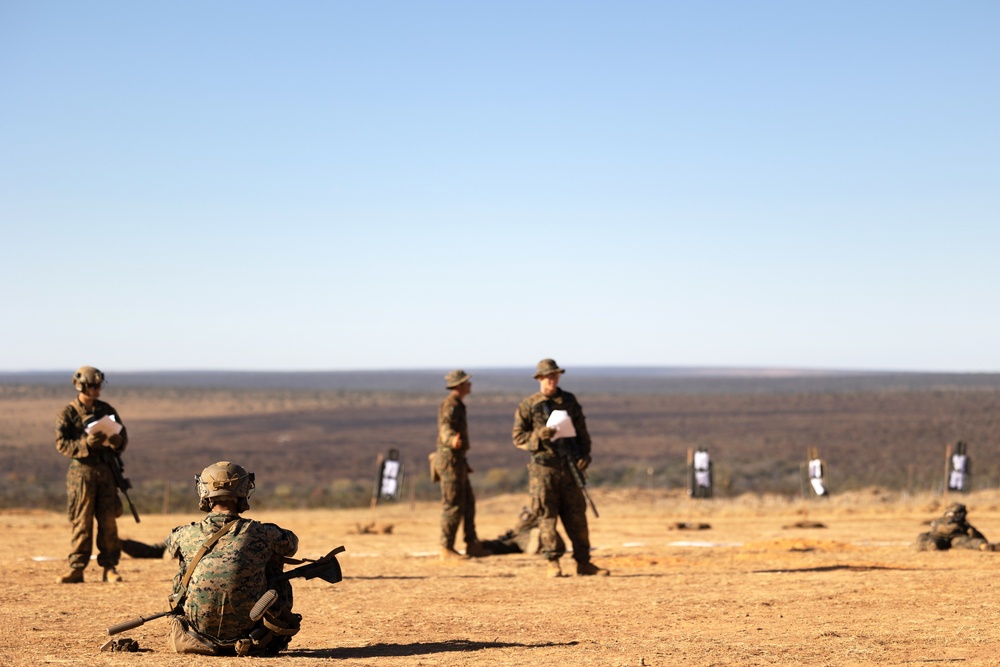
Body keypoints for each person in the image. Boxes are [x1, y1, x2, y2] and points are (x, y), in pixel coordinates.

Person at [163, 461, 301, 655]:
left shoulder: (185, 534)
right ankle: (271, 631)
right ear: (244, 491)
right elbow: (292, 545)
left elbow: (169, 544)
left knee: (184, 568)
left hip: (197, 635)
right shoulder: (262, 533)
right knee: (275, 565)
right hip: (255, 634)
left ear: (204, 492)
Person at [512, 359, 609, 577]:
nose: (552, 380)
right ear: (539, 379)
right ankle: (552, 561)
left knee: (577, 516)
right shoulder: (529, 405)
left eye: (555, 376)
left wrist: (585, 455)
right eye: (548, 377)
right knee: (546, 516)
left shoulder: (568, 401)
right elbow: (518, 437)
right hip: (543, 470)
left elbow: (582, 431)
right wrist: (538, 436)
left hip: (569, 467)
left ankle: (584, 562)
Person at [55, 365, 129, 583]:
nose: (97, 389)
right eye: (93, 386)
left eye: (99, 385)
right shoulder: (67, 414)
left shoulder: (107, 410)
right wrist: (85, 444)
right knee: (82, 521)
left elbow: (122, 438)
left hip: (106, 471)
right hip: (81, 473)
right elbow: (61, 444)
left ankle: (110, 567)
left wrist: (117, 442)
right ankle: (77, 568)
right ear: (81, 385)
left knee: (108, 521)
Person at [432, 370, 486, 559]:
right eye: (466, 382)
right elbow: (445, 427)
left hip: (458, 460)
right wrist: (451, 440)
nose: (469, 385)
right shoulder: (450, 405)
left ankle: (471, 543)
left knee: (468, 502)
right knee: (453, 504)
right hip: (450, 461)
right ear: (459, 385)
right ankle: (446, 547)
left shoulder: (458, 404)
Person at [915, 502, 995, 551]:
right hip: (957, 537)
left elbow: (931, 530)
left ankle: (930, 544)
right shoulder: (962, 523)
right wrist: (981, 541)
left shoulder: (941, 520)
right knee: (967, 542)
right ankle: (982, 546)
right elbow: (975, 535)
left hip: (939, 537)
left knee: (925, 538)